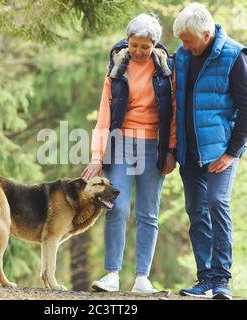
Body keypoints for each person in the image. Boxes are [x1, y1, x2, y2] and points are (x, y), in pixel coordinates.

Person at [81, 13, 177, 293]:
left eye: (144, 47)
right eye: (134, 45)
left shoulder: (165, 72)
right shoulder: (117, 68)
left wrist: (171, 149)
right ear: (128, 42)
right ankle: (111, 274)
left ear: (155, 45)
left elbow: (171, 115)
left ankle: (142, 278)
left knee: (148, 212)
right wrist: (97, 154)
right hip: (120, 143)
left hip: (153, 146)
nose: (138, 51)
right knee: (116, 206)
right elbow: (104, 115)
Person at [172, 3, 247, 299]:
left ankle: (222, 280)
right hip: (189, 152)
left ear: (206, 34)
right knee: (196, 212)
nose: (183, 45)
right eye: (181, 40)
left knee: (216, 202)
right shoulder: (183, 55)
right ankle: (205, 279)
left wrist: (232, 153)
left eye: (188, 40)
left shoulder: (235, 56)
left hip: (220, 152)